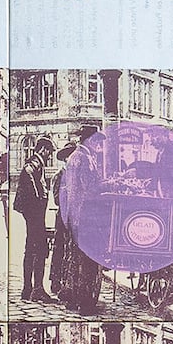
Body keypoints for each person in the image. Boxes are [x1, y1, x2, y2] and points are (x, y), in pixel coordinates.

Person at [47, 128, 104, 315]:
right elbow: (90, 188)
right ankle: (85, 303)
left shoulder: (76, 157)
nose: (99, 145)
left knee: (74, 257)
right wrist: (108, 185)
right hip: (85, 215)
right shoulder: (83, 158)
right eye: (97, 141)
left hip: (75, 215)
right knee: (87, 260)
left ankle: (72, 298)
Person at [13, 137, 54, 303]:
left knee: (32, 249)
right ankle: (35, 290)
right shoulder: (34, 163)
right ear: (43, 149)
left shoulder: (38, 163)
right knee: (38, 250)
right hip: (35, 215)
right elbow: (28, 175)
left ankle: (29, 289)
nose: (49, 155)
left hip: (34, 215)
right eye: (49, 152)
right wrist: (39, 199)